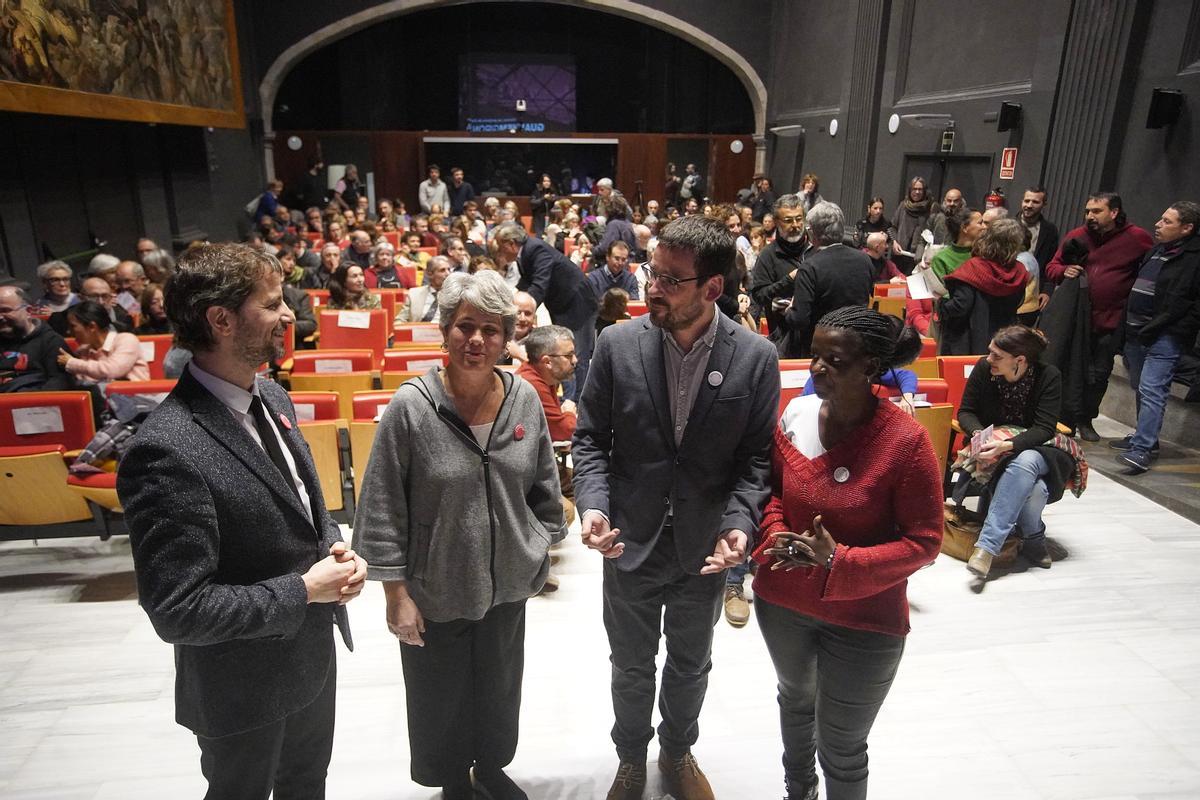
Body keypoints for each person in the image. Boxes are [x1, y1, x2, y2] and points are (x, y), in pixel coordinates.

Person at [116, 243, 366, 799]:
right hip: (241, 684)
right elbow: (178, 610)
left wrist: (334, 550)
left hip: (308, 657)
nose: (290, 317)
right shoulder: (166, 449)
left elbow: (300, 503)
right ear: (221, 319)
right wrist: (303, 590)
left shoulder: (273, 395)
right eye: (273, 304)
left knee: (307, 786)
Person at [572, 214, 780, 800]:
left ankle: (678, 752)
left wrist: (739, 525)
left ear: (712, 288)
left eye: (669, 279)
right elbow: (590, 440)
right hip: (628, 538)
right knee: (630, 664)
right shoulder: (616, 344)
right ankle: (631, 757)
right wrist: (593, 505)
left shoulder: (755, 357)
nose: (651, 287)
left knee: (691, 664)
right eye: (650, 271)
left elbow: (755, 461)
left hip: (704, 546)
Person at [353, 270, 565, 800]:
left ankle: (492, 767)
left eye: (491, 330)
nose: (477, 341)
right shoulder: (411, 406)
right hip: (436, 586)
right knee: (438, 695)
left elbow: (545, 485)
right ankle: (452, 779)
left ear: (507, 337)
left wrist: (535, 545)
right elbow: (380, 505)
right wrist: (395, 593)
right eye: (465, 326)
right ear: (444, 330)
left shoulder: (523, 400)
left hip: (507, 583)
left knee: (498, 687)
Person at [750, 306, 940, 800]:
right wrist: (774, 535)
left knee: (842, 744)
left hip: (864, 618)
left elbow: (925, 542)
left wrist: (840, 560)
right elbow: (772, 493)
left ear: (871, 369)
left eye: (833, 360)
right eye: (814, 355)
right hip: (785, 603)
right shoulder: (797, 413)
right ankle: (799, 791)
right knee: (794, 701)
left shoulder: (906, 442)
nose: (816, 369)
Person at [956, 326, 1081, 578]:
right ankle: (1034, 539)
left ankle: (987, 547)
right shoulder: (984, 370)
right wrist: (981, 435)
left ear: (1020, 360)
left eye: (996, 356)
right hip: (998, 445)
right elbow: (966, 411)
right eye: (990, 353)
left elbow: (1045, 427)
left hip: (1042, 448)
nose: (988, 359)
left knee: (1027, 458)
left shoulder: (1049, 376)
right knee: (1035, 489)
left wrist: (1008, 445)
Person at [1045, 192, 1154, 440]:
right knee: (1069, 370)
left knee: (1099, 374)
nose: (1090, 216)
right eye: (1088, 211)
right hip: (1076, 320)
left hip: (1110, 322)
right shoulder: (1077, 236)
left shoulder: (1137, 239)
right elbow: (1051, 267)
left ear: (1114, 212)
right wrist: (1064, 270)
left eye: (1096, 211)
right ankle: (1066, 420)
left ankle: (1086, 420)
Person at [1112, 201, 1200, 474]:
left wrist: (1169, 328)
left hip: (1164, 336)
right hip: (1136, 332)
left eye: (1167, 221)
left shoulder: (1194, 258)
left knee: (1152, 390)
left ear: (1187, 228)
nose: (1158, 225)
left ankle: (1142, 450)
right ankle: (1144, 438)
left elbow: (1190, 304)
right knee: (1141, 386)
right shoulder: (1158, 250)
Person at [492, 222, 598, 402]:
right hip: (562, 304)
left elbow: (540, 283)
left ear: (510, 243)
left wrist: (524, 307)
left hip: (577, 302)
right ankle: (569, 398)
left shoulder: (535, 249)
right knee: (564, 349)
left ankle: (579, 402)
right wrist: (508, 301)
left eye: (501, 248)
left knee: (574, 351)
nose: (499, 253)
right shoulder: (527, 253)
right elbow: (526, 283)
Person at [783, 202, 875, 358]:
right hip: (856, 346)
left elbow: (799, 320)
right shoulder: (864, 260)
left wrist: (788, 311)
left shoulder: (810, 267)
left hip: (821, 352)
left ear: (812, 233)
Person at [938, 218, 1029, 355]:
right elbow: (1018, 303)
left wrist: (940, 304)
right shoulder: (1020, 271)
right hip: (1002, 343)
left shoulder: (974, 268)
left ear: (988, 238)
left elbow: (960, 306)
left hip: (967, 344)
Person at [750, 194, 811, 336]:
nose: (795, 225)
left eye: (799, 219)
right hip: (782, 337)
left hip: (813, 338)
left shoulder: (814, 250)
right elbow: (759, 296)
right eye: (788, 220)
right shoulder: (767, 255)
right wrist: (788, 280)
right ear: (776, 222)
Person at [0, 284, 72, 392]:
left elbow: (58, 383)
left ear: (28, 311)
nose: (0, 317)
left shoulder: (51, 342)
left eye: (6, 310)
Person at [57, 301, 150, 383]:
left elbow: (113, 370)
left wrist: (72, 363)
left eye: (73, 326)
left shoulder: (126, 340)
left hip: (137, 399)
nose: (68, 332)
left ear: (92, 327)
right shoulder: (83, 352)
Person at [1018, 186, 1060, 307]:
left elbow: (1051, 262)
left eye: (1035, 202)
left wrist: (1047, 290)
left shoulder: (1050, 230)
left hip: (1034, 289)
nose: (1029, 205)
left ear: (1044, 204)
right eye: (1026, 201)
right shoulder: (1007, 224)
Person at [49, 276, 133, 336]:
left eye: (105, 296)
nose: (100, 302)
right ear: (81, 298)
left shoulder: (123, 317)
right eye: (94, 297)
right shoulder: (60, 320)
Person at [929, 207, 987, 282]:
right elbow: (941, 291)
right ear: (965, 228)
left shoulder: (986, 254)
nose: (984, 227)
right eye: (980, 223)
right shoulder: (941, 259)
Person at [890, 176, 933, 272]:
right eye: (914, 189)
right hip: (899, 255)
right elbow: (892, 227)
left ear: (924, 191)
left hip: (917, 258)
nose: (917, 192)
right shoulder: (903, 205)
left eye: (920, 189)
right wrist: (894, 242)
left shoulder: (929, 209)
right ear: (910, 190)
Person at [396, 257, 451, 324]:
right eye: (442, 270)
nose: (448, 274)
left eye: (449, 269)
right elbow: (400, 320)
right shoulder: (413, 294)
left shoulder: (457, 296)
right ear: (429, 274)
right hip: (417, 332)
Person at [504, 291, 538, 363]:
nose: (522, 318)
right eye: (518, 313)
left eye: (527, 314)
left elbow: (545, 371)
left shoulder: (541, 341)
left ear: (534, 318)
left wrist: (520, 355)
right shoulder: (498, 338)